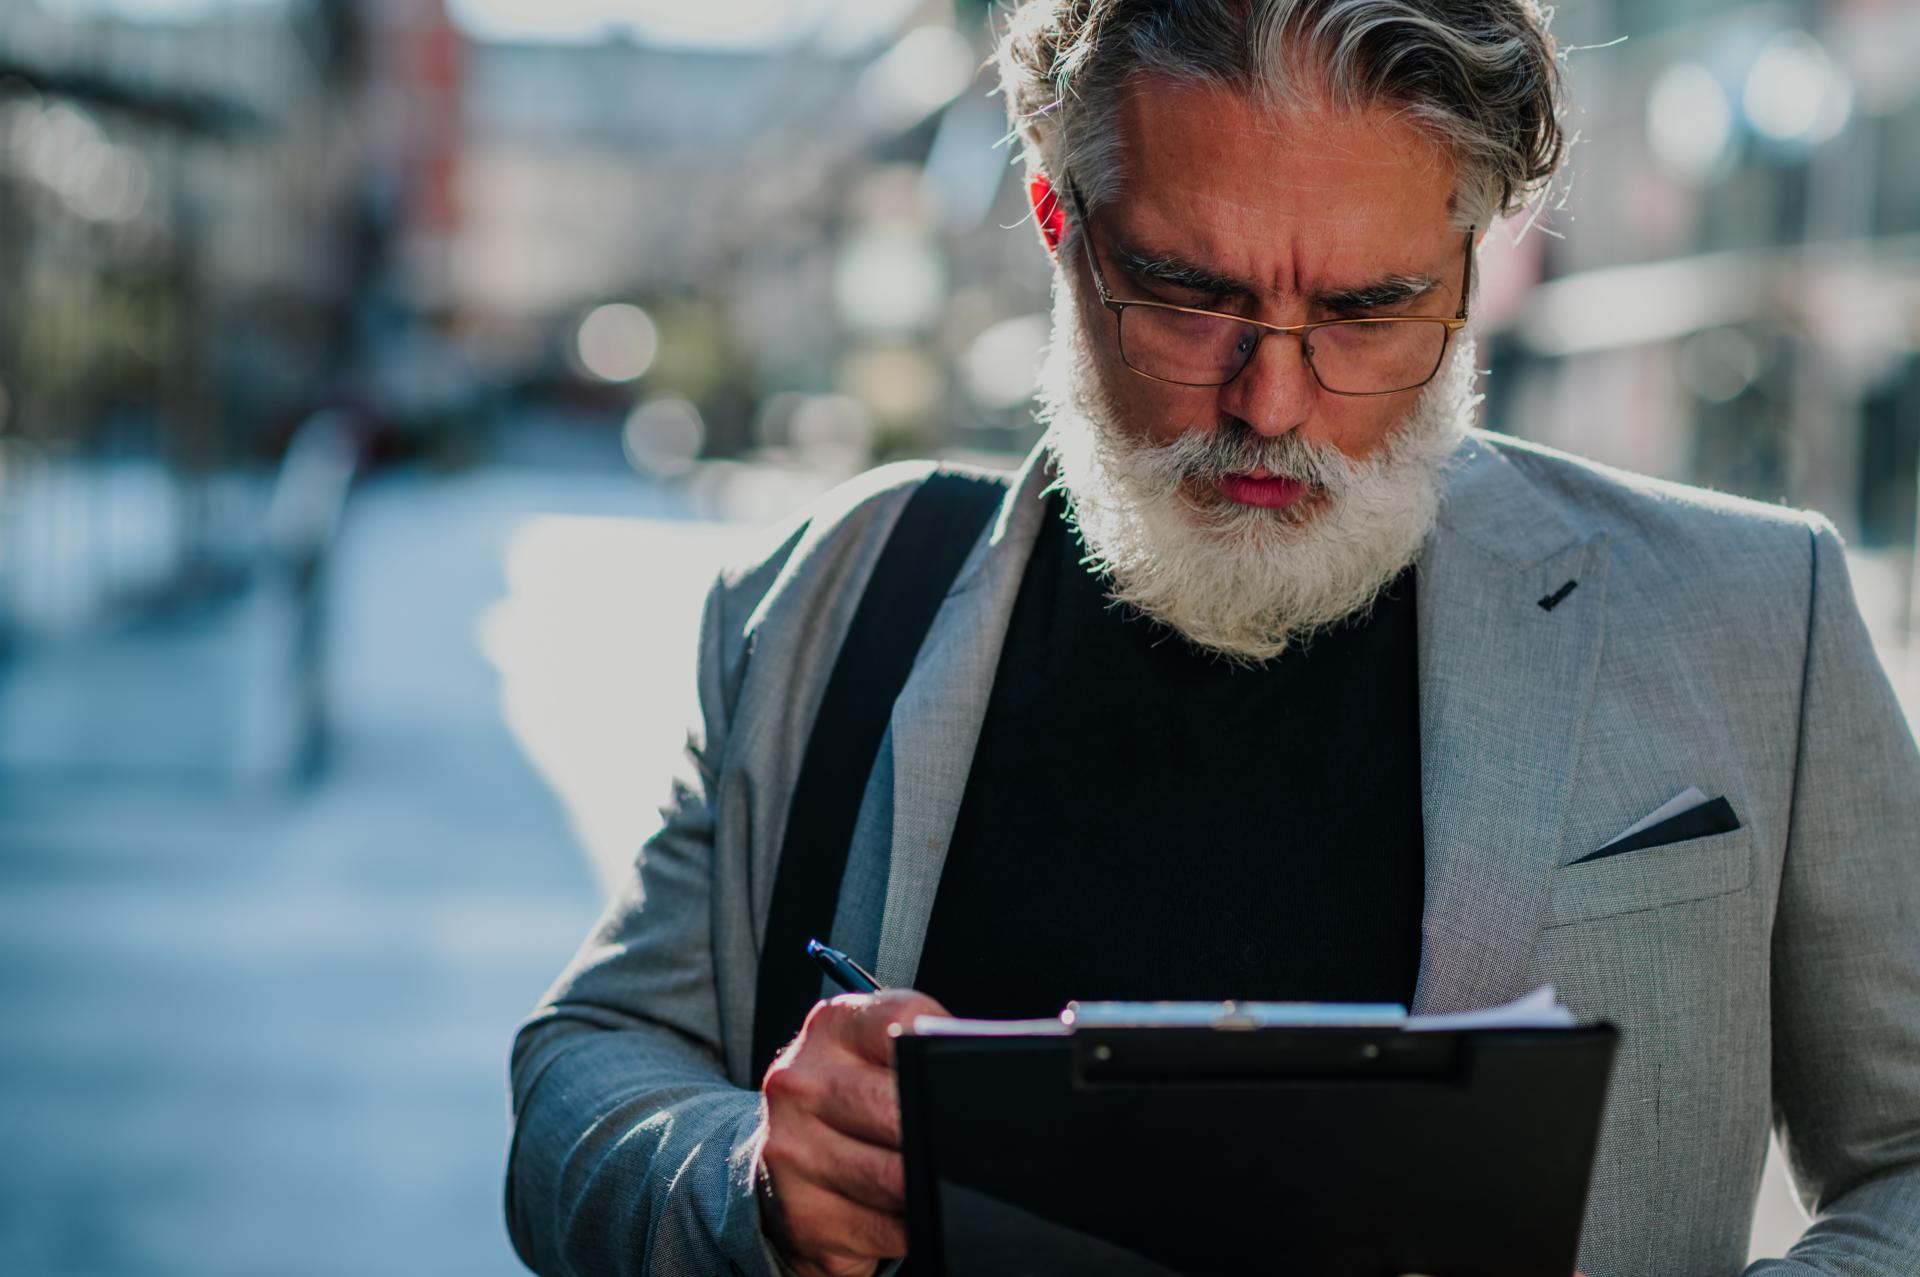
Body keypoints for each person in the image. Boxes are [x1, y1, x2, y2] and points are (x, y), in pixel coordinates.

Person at [503, 2, 1920, 1274]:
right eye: (1191, 296)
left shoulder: (1756, 616)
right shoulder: (829, 597)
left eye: (1368, 310)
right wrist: (748, 1180)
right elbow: (586, 1073)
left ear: (1470, 263)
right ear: (1062, 227)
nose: (1274, 402)